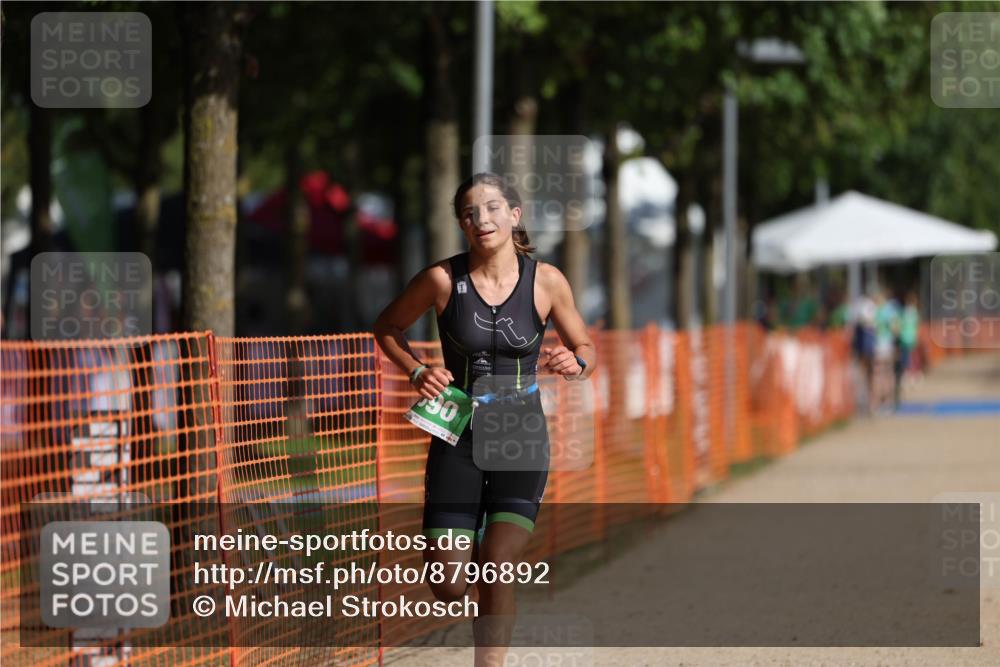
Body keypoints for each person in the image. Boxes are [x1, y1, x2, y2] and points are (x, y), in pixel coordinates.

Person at [373, 172, 595, 665]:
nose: (482, 219)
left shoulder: (548, 281)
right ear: (462, 224)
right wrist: (414, 372)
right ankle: (481, 577)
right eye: (470, 213)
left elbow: (585, 348)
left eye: (492, 208)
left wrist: (574, 362)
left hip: (521, 434)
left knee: (496, 569)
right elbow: (386, 325)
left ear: (514, 217)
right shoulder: (440, 280)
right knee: (449, 584)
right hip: (458, 433)